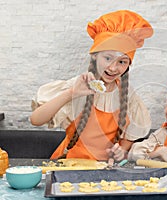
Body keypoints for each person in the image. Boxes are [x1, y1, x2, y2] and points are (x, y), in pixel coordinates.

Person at [30, 10, 153, 161]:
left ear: (128, 65)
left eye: (122, 62)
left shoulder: (128, 95)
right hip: (69, 165)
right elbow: (36, 120)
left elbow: (129, 137)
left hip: (105, 170)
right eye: (108, 58)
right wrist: (72, 93)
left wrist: (121, 151)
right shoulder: (79, 85)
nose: (113, 68)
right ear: (95, 56)